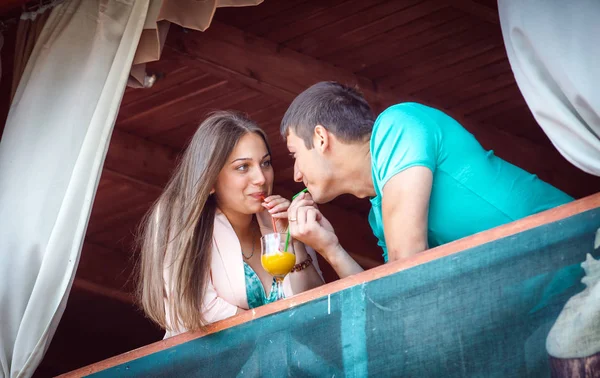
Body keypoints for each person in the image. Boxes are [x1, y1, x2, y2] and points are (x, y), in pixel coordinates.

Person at [282, 81, 574, 278]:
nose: (295, 174)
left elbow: (405, 263)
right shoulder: (379, 214)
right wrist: (330, 248)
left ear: (320, 138)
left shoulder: (397, 125)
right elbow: (396, 298)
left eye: (294, 154)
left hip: (578, 252)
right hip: (549, 297)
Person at [137, 111, 324, 338]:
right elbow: (197, 310)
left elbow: (317, 307)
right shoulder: (178, 219)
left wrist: (295, 242)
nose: (261, 178)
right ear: (210, 179)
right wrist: (271, 334)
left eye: (265, 163)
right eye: (243, 167)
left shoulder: (281, 219)